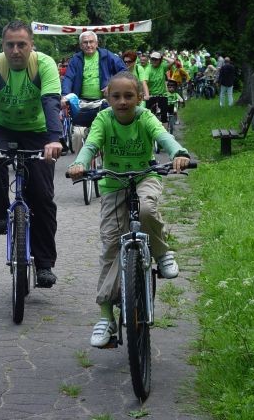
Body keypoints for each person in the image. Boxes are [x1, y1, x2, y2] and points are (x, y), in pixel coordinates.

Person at [66, 71, 191, 347]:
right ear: (108, 98)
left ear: (139, 98)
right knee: (111, 246)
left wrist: (178, 153)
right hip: (113, 183)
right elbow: (91, 143)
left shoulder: (145, 117)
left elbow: (163, 136)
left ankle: (162, 252)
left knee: (146, 210)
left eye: (128, 96)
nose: (122, 101)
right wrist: (80, 163)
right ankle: (105, 316)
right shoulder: (103, 119)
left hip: (145, 177)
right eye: (116, 96)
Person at [0, 20, 62, 288]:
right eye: (10, 45)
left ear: (31, 45)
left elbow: (51, 103)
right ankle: (1, 213)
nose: (15, 50)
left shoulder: (44, 65)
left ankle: (44, 265)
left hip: (38, 131)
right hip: (1, 128)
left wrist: (55, 139)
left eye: (21, 44)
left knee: (43, 197)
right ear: (2, 46)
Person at [61, 31, 126, 157]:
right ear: (81, 45)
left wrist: (112, 86)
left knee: (109, 131)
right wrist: (65, 95)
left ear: (96, 43)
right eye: (85, 42)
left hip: (103, 101)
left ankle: (109, 161)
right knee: (78, 135)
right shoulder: (76, 59)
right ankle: (80, 163)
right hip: (81, 103)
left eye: (91, 42)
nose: (88, 45)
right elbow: (68, 78)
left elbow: (124, 72)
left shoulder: (107, 56)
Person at [144, 50, 175, 123]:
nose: (154, 61)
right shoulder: (148, 69)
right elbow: (144, 82)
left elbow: (172, 61)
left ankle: (164, 127)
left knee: (164, 116)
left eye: (156, 59)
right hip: (151, 95)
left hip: (162, 95)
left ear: (159, 60)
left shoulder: (162, 66)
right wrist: (147, 95)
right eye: (152, 59)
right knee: (147, 114)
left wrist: (162, 57)